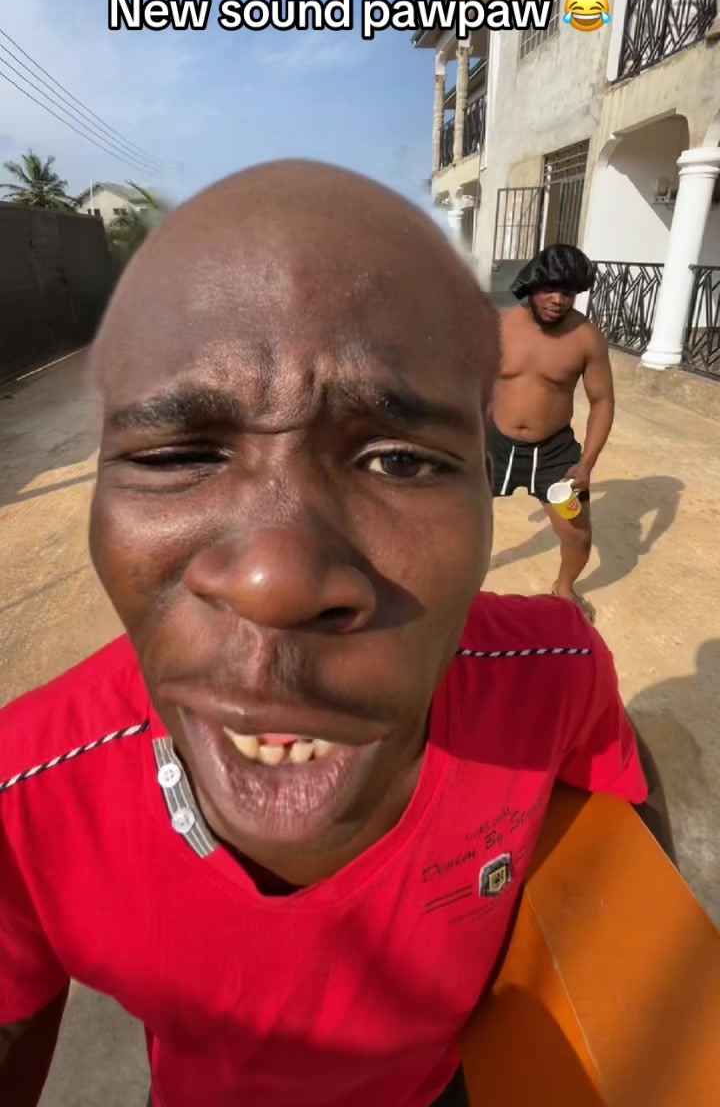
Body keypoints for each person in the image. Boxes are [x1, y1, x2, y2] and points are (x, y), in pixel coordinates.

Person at [0, 165, 672, 1107]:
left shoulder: (551, 672)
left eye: (400, 460)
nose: (276, 582)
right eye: (179, 454)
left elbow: (618, 781)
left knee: (573, 526)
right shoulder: (26, 790)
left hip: (441, 1090)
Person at [488, 244, 614, 621]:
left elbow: (602, 402)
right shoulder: (498, 326)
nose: (558, 300)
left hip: (554, 453)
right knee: (459, 521)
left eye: (568, 292)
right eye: (550, 290)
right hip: (494, 445)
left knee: (577, 533)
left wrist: (586, 464)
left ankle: (564, 588)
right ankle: (454, 587)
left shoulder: (586, 337)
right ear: (532, 285)